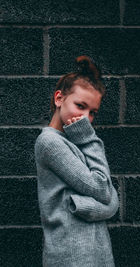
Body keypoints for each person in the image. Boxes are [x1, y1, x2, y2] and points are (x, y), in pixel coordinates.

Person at [34, 55, 119, 267]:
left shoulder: (75, 140)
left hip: (97, 251)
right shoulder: (50, 142)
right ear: (59, 98)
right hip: (70, 255)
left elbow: (109, 195)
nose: (85, 118)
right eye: (80, 106)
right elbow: (102, 189)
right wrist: (89, 138)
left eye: (92, 113)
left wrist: (90, 205)